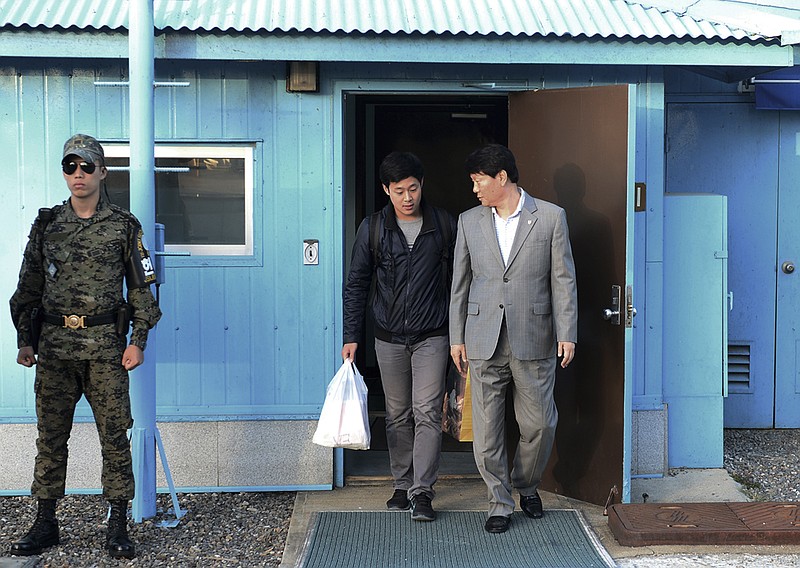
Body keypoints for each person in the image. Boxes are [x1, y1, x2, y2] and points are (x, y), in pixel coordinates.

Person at [9, 134, 162, 559]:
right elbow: (28, 289)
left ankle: (117, 525)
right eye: (70, 167)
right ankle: (45, 523)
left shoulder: (123, 227)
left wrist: (139, 341)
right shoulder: (47, 225)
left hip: (104, 351)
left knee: (114, 436)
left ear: (102, 172)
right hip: (55, 350)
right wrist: (25, 339)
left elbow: (143, 291)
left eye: (86, 166)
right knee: (50, 437)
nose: (78, 174)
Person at [449, 143, 577, 534]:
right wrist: (457, 336)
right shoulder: (469, 221)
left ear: (501, 177)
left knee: (539, 425)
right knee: (487, 430)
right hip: (482, 336)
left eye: (478, 181)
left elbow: (563, 279)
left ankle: (526, 484)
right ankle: (499, 503)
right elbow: (460, 283)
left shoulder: (551, 218)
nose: (475, 189)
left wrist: (567, 333)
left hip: (534, 336)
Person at [342, 151, 457, 522]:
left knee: (426, 412)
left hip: (432, 335)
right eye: (398, 191)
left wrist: (460, 335)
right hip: (388, 337)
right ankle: (401, 483)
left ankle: (422, 492)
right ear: (385, 190)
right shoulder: (373, 228)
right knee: (396, 414)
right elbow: (356, 283)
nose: (407, 198)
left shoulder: (443, 224)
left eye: (413, 189)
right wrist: (351, 335)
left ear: (422, 186)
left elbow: (461, 282)